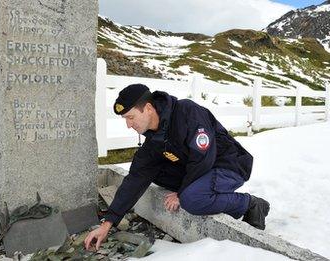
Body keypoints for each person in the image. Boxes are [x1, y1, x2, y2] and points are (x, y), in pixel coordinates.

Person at [84, 84, 270, 251]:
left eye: (131, 117)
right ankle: (200, 192)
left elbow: (203, 158)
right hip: (202, 169)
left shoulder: (187, 111)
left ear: (148, 108)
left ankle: (251, 204)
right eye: (125, 119)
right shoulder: (153, 139)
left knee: (191, 199)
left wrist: (182, 192)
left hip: (229, 164)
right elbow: (135, 178)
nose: (128, 125)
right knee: (151, 171)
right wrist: (107, 224)